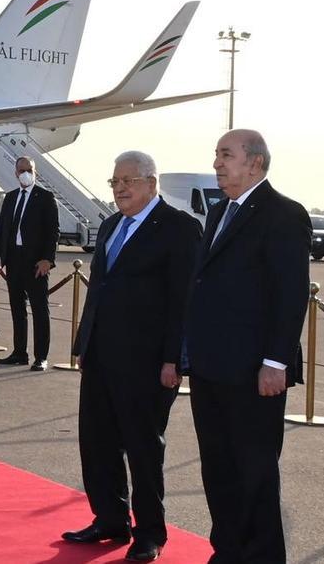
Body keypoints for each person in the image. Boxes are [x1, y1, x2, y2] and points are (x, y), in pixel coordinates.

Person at [61, 151, 201, 562]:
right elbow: (99, 291)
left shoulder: (179, 228)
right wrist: (84, 346)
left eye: (129, 181)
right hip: (102, 356)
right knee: (97, 441)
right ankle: (109, 518)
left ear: (151, 183)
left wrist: (174, 359)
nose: (120, 188)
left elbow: (184, 300)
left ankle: (150, 532)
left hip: (150, 362)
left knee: (142, 447)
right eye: (115, 181)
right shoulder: (110, 225)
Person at [183, 130, 309, 563]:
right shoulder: (220, 213)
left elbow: (289, 295)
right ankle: (229, 551)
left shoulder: (283, 214)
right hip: (210, 366)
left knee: (254, 472)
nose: (217, 163)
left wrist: (275, 362)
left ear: (254, 163)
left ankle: (261, 556)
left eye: (226, 155)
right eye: (217, 154)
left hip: (255, 371)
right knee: (218, 470)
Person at [0, 156, 59, 371]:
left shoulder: (46, 198)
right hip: (13, 259)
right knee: (17, 308)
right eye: (21, 170)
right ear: (15, 173)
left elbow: (52, 231)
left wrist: (48, 259)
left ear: (35, 172)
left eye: (29, 170)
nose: (25, 173)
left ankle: (41, 357)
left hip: (36, 263)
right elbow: (1, 229)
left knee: (39, 309)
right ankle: (20, 352)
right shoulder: (10, 198)